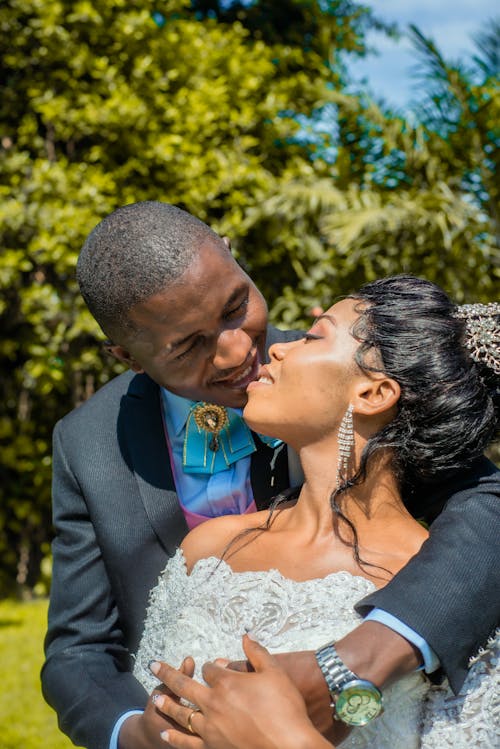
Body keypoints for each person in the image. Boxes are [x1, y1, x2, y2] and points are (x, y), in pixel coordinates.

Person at [40, 200, 499, 749]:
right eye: (188, 346)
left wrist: (361, 659)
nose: (240, 352)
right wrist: (135, 734)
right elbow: (77, 651)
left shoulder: (348, 371)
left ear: (232, 258)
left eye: (236, 307)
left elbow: (487, 506)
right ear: (127, 356)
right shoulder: (86, 443)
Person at [132, 276, 500, 748]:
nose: (278, 351)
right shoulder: (209, 547)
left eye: (313, 336)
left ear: (372, 394)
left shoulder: (457, 592)